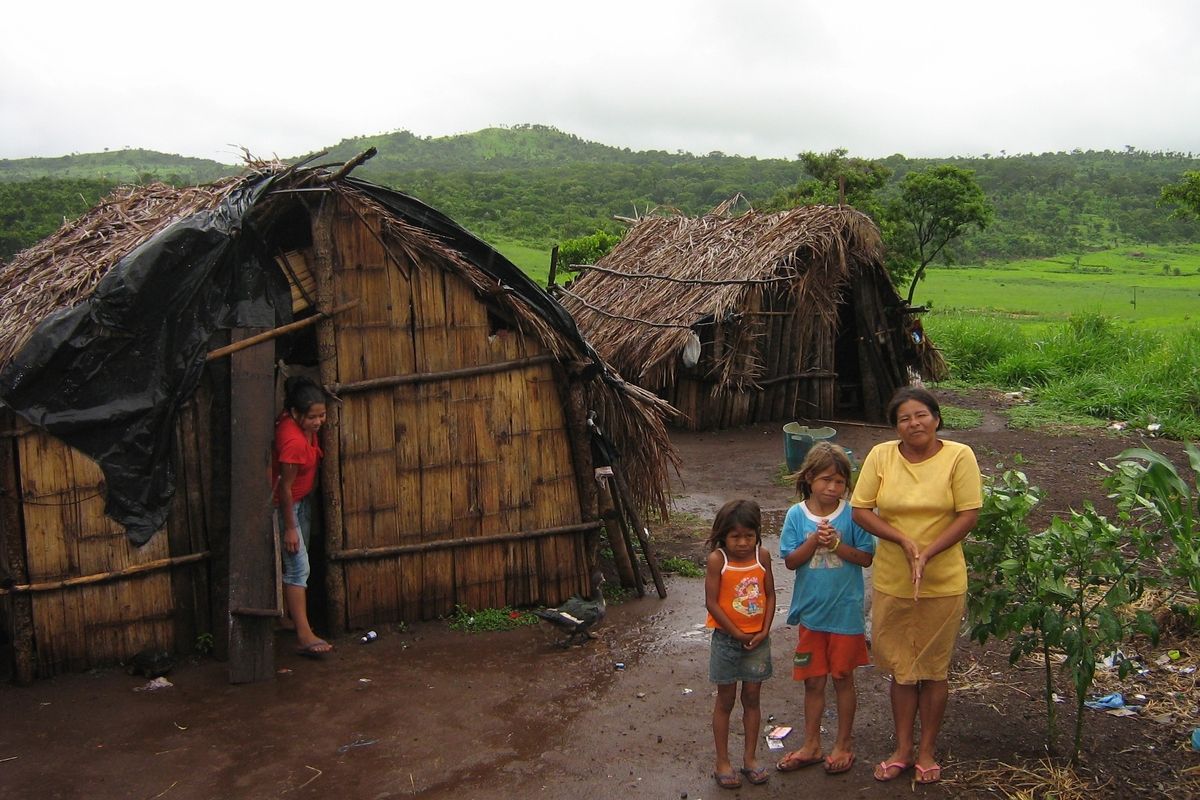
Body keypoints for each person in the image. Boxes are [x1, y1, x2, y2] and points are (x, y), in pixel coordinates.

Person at [850, 387, 982, 785]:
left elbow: (968, 514)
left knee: (933, 669)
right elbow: (860, 510)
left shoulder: (959, 456)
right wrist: (904, 542)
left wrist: (928, 551)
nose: (914, 423)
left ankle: (927, 750)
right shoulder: (881, 456)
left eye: (921, 415)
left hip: (942, 581)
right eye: (904, 418)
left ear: (936, 418)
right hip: (893, 579)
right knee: (902, 672)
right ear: (896, 427)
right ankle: (903, 750)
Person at [776, 442, 875, 777]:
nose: (832, 488)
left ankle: (843, 744)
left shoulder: (853, 514)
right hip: (811, 614)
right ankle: (812, 744)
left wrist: (836, 545)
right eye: (825, 480)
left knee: (843, 677)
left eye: (839, 481)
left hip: (845, 613)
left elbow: (866, 557)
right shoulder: (795, 515)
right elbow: (790, 561)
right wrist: (813, 541)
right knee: (813, 682)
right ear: (809, 479)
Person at [704, 499, 775, 790]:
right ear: (723, 536)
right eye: (736, 537)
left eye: (749, 536)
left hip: (758, 640)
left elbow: (770, 595)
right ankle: (723, 761)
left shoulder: (763, 556)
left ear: (757, 534)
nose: (743, 543)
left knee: (753, 698)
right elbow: (712, 603)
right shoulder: (717, 560)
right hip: (726, 640)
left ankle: (750, 758)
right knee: (726, 700)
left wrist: (764, 630)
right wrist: (736, 633)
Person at [272, 375, 333, 657]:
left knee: (297, 562)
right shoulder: (292, 440)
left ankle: (288, 617)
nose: (318, 421)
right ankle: (304, 634)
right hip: (289, 506)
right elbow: (283, 488)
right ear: (296, 414)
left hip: (302, 500)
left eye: (321, 415)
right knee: (299, 567)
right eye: (312, 417)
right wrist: (290, 527)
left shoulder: (301, 425)